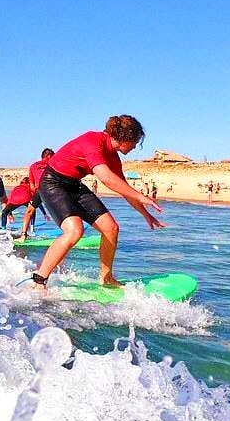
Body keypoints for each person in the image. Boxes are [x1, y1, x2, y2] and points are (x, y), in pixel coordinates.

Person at [31, 115, 164, 290]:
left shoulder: (113, 157)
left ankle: (106, 277)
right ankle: (39, 280)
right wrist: (141, 196)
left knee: (111, 228)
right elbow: (105, 178)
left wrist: (145, 213)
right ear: (126, 137)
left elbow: (122, 188)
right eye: (135, 141)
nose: (135, 146)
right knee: (74, 231)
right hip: (52, 183)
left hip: (74, 185)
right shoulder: (93, 140)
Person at [19, 148, 54, 240]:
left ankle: (23, 236)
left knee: (29, 211)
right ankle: (71, 233)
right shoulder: (53, 164)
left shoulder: (33, 166)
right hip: (54, 189)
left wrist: (36, 195)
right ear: (49, 156)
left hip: (40, 190)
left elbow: (31, 185)